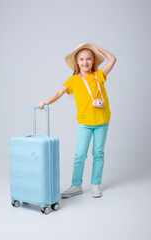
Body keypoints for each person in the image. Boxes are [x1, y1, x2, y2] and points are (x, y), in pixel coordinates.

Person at [37, 42, 116, 198]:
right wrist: (45, 102)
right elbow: (59, 92)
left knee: (98, 153)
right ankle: (76, 185)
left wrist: (97, 48)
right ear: (76, 62)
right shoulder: (73, 80)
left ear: (93, 61)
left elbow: (112, 59)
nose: (85, 62)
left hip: (102, 122)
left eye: (88, 59)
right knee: (80, 155)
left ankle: (95, 184)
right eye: (81, 59)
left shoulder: (99, 75)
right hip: (85, 124)